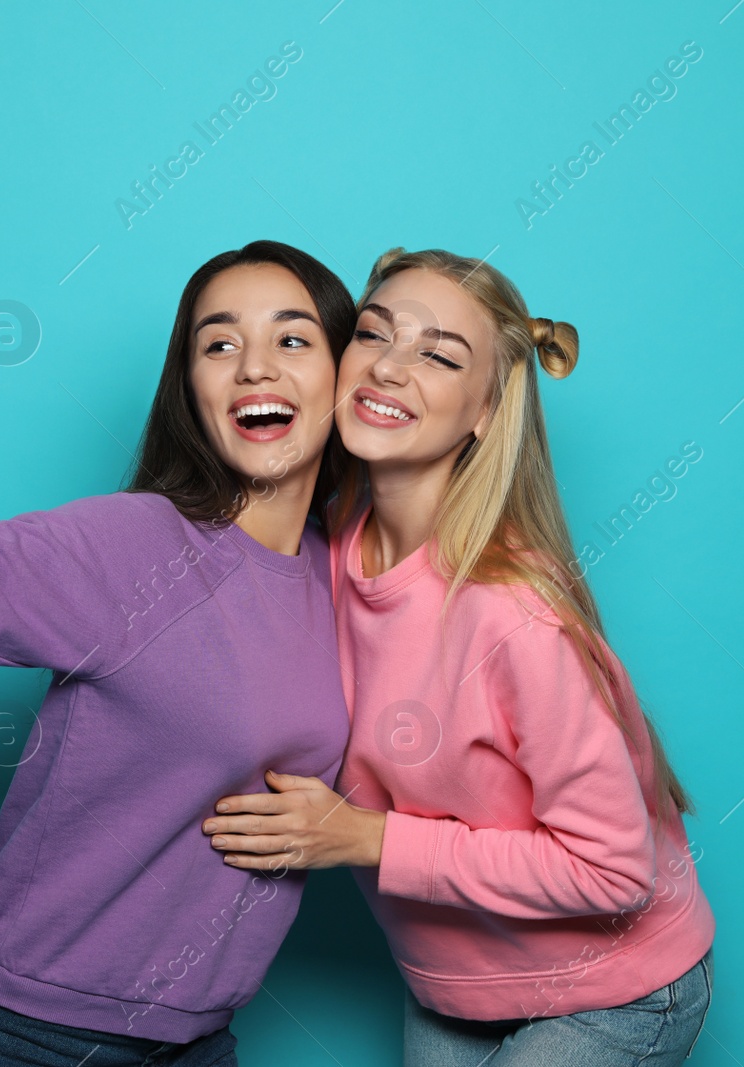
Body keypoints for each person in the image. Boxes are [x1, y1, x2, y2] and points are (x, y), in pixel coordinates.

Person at [0, 241, 356, 1066]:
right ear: (189, 387)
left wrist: (351, 830)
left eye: (292, 340)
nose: (254, 367)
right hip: (29, 1035)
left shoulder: (344, 578)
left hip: (197, 1038)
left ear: (346, 372)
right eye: (218, 344)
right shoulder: (136, 545)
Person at [204, 248, 716, 1065]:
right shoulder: (329, 549)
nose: (393, 368)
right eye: (376, 335)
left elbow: (619, 873)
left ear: (485, 409)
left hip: (612, 987)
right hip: (452, 982)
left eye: (440, 356)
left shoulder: (513, 613)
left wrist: (367, 838)